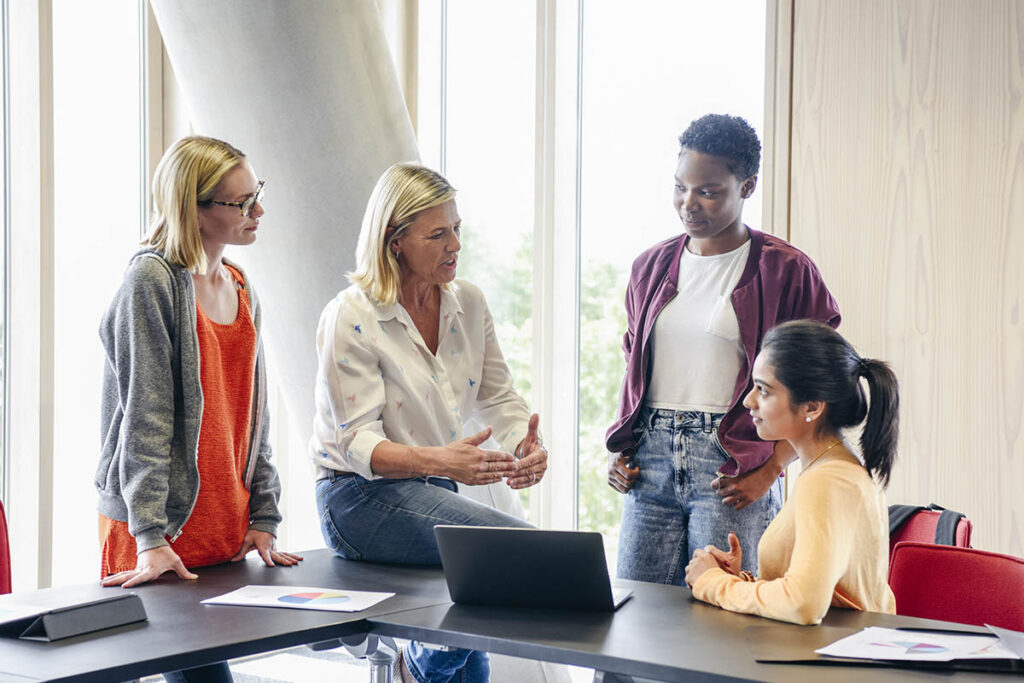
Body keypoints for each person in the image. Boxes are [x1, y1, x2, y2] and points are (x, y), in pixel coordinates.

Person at [311, 162, 549, 682]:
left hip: (434, 489)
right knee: (517, 554)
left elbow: (498, 396)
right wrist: (443, 460)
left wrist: (521, 448)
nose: (455, 245)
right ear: (395, 241)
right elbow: (355, 441)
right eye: (437, 234)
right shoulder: (351, 316)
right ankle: (416, 661)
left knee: (471, 643)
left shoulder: (468, 302)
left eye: (457, 229)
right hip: (357, 497)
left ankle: (423, 662)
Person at [95, 136, 302, 683]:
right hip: (159, 529)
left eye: (256, 193)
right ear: (194, 208)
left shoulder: (239, 282)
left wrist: (263, 513)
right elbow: (145, 415)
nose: (258, 210)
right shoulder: (151, 281)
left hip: (223, 526)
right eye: (241, 203)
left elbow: (253, 416)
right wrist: (148, 538)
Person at [606, 114, 841, 583]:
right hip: (648, 466)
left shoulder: (787, 271)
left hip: (733, 468)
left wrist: (772, 468)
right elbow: (634, 367)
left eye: (708, 191)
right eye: (680, 187)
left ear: (747, 186)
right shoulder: (649, 266)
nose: (688, 204)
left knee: (726, 623)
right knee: (633, 622)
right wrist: (623, 447)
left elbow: (823, 387)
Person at [684, 320, 898, 624]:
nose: (749, 401)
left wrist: (714, 583)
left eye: (764, 390)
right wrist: (742, 581)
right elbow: (829, 592)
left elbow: (802, 604)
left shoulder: (829, 479)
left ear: (812, 407)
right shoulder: (833, 467)